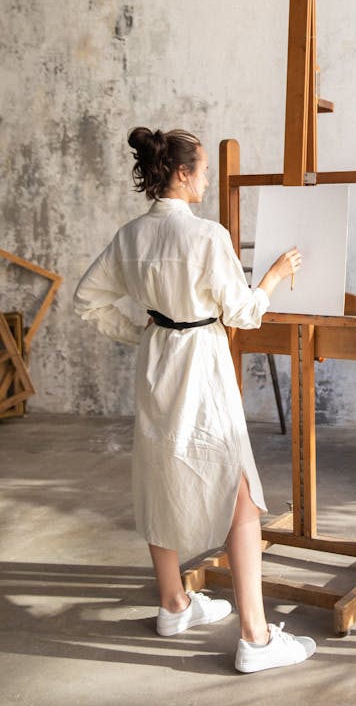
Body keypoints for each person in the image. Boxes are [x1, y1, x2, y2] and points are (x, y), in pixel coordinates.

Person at [74, 127, 316, 674]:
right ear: (182, 173)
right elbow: (241, 314)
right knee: (238, 489)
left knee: (161, 472)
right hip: (201, 364)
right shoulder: (208, 236)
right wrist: (273, 277)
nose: (207, 177)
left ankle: (173, 604)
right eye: (203, 169)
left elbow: (88, 300)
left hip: (158, 362)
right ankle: (255, 638)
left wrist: (142, 333)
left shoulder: (130, 235)